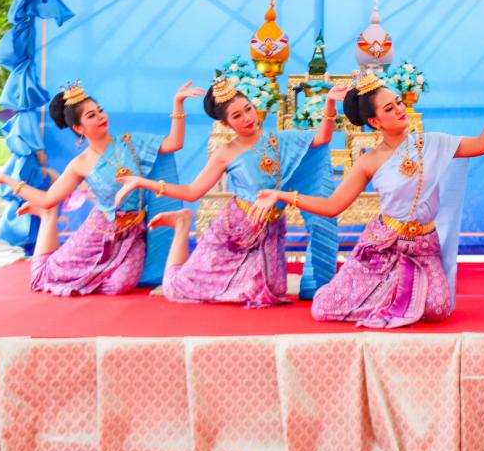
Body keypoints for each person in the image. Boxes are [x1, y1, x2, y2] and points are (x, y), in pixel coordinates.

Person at [249, 70, 484, 327]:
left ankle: (396, 295)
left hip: (422, 248)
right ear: (375, 121)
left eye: (398, 102)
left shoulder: (432, 143)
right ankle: (392, 294)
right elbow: (332, 206)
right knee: (324, 307)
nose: (400, 109)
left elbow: (482, 145)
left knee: (437, 308)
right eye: (390, 108)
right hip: (382, 247)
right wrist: (282, 195)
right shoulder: (370, 161)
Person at [115, 75, 344, 306]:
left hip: (269, 231)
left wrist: (330, 103)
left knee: (271, 291)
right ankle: (182, 224)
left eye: (248, 109)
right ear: (226, 124)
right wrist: (143, 182)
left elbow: (322, 138)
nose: (247, 118)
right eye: (237, 116)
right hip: (233, 232)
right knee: (177, 289)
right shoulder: (225, 153)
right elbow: (192, 192)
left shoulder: (281, 140)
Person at [0, 80, 202, 295]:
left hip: (133, 233)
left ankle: (96, 274)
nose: (101, 116)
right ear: (78, 128)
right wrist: (6, 180)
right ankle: (48, 217)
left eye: (100, 111)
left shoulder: (131, 143)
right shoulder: (81, 163)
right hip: (99, 232)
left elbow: (174, 143)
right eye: (91, 115)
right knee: (43, 277)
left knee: (120, 285)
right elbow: (47, 199)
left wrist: (178, 103)